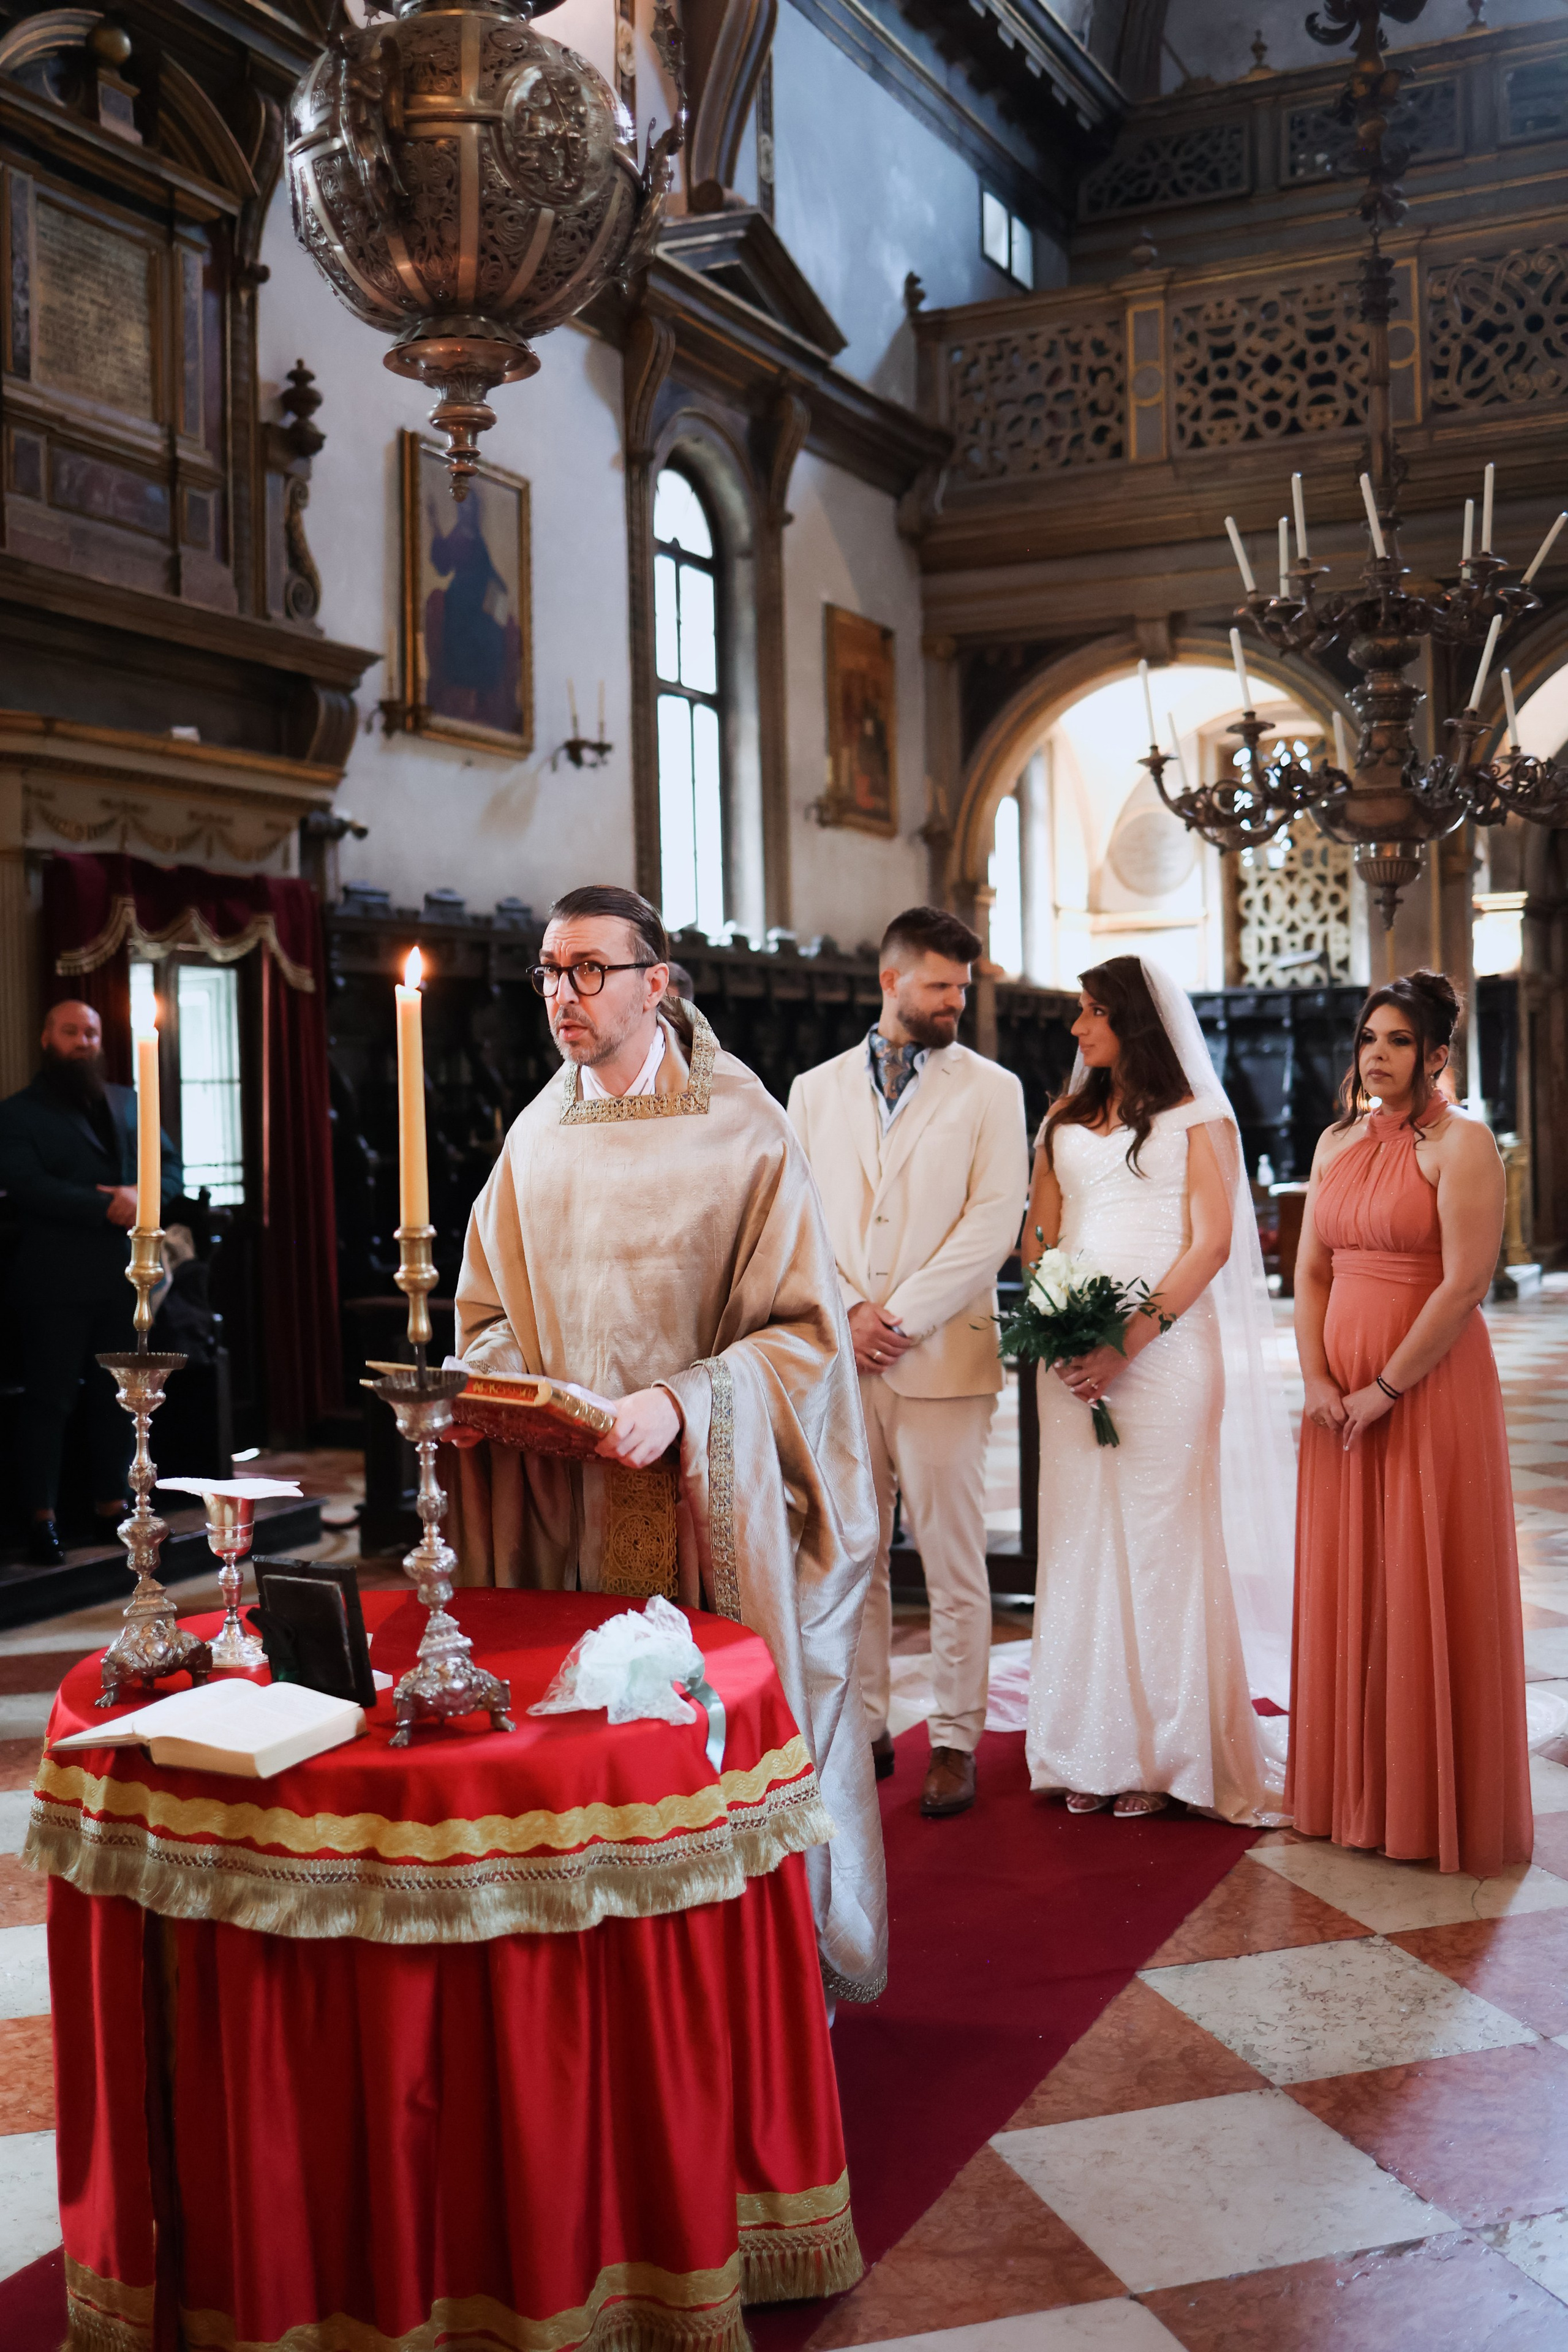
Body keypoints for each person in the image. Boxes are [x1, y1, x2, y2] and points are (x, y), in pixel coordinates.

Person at [450, 884, 885, 2001]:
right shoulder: (536, 1134)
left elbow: (806, 1334)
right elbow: (485, 1312)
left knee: (698, 1747)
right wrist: (510, 1383)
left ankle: (739, 1984)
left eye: (590, 969)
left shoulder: (744, 1127)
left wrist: (685, 1406)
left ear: (658, 981)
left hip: (703, 1505)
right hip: (570, 1508)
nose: (564, 995)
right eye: (550, 972)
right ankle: (597, 1968)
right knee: (582, 1740)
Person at [1020, 956, 1294, 1823]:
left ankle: (1166, 1756)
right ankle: (1086, 1747)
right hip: (1071, 1357)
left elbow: (1212, 1243)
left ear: (1130, 1019)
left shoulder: (1199, 1117)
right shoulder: (1062, 1118)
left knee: (1161, 1539)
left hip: (1167, 1357)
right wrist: (1059, 1324)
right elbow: (1040, 1237)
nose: (1076, 1030)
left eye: (1090, 1012)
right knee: (1079, 1540)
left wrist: (1128, 1342)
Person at [1287, 970, 1530, 1877]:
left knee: (1418, 1573)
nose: (1377, 1057)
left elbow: (1464, 1285)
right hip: (1335, 1393)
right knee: (1352, 1579)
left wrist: (1384, 1390)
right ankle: (1351, 1793)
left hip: (1424, 1391)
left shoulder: (1460, 1146)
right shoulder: (1334, 1140)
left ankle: (1428, 1805)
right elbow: (1311, 1270)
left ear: (1435, 1055)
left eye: (1397, 1042)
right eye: (1367, 1040)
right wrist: (1317, 1375)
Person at [788, 907, 1028, 1820]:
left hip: (942, 1359)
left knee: (952, 1558)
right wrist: (848, 1312)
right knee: (858, 1554)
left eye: (962, 988)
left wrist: (904, 1316)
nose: (955, 1002)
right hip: (845, 1359)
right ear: (890, 983)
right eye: (939, 986)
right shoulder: (812, 1091)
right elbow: (798, 1212)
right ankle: (872, 1723)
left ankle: (957, 1736)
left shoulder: (991, 1090)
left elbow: (995, 1220)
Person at [0, 998, 181, 1566]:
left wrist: (141, 1197)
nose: (83, 1041)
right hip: (53, 1279)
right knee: (49, 1402)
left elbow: (171, 1170)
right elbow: (26, 1184)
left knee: (117, 1400)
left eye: (92, 1032)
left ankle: (113, 1507)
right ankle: (42, 1519)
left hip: (123, 1280)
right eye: (71, 1031)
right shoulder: (18, 1113)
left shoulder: (130, 1102)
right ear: (46, 1039)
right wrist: (104, 1204)